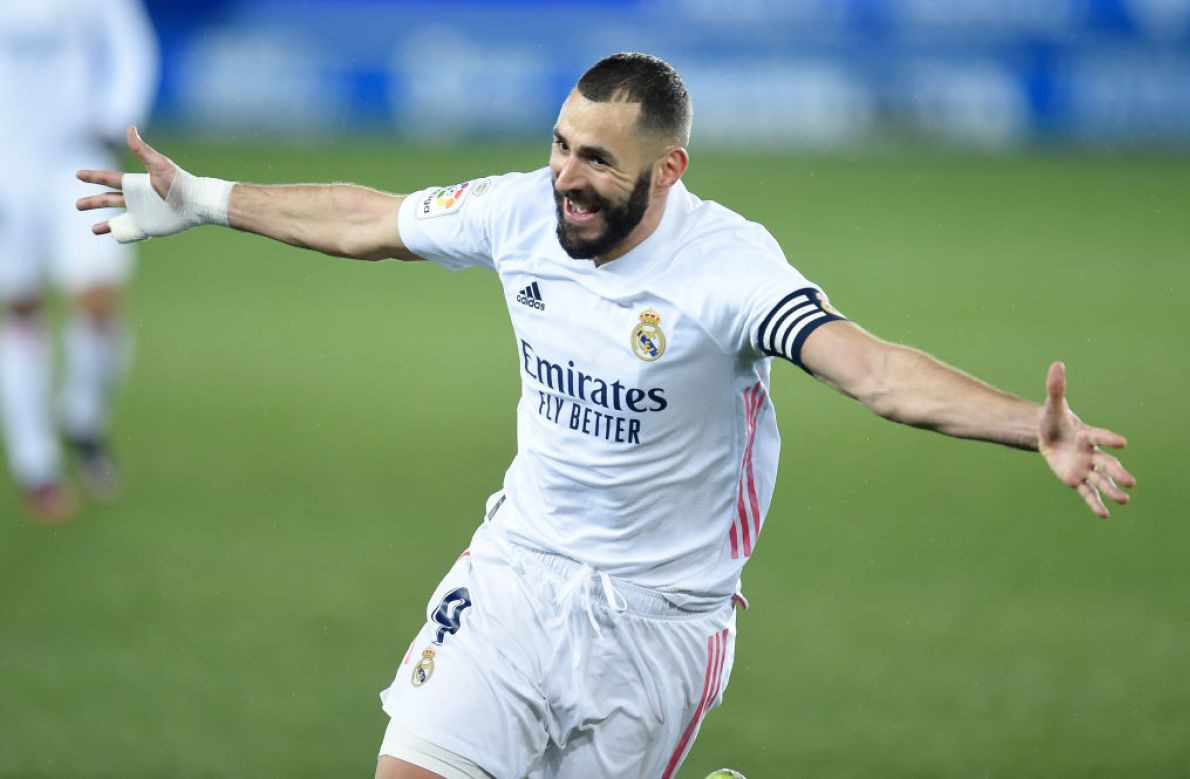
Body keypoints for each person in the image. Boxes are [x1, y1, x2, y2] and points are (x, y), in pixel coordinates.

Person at [76, 53, 1134, 779]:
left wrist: (1024, 423)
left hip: (661, 621)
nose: (567, 179)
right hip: (517, 573)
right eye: (561, 145)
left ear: (668, 170)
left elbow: (874, 371)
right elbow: (369, 220)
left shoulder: (727, 269)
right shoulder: (521, 209)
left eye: (598, 161)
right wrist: (206, 199)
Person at [0, 0, 159, 522]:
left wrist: (115, 119)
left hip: (76, 160)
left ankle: (83, 417)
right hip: (8, 168)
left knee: (98, 300)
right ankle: (36, 465)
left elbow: (132, 48)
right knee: (20, 309)